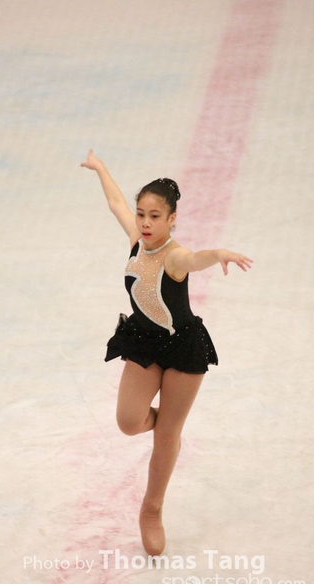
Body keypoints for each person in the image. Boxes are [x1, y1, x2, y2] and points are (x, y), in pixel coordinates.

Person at [80, 149, 253, 556]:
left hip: (183, 349)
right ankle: (168, 430)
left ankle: (152, 509)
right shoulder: (136, 240)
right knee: (129, 422)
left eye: (155, 216)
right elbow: (115, 203)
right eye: (142, 214)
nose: (145, 222)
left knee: (166, 434)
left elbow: (194, 259)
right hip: (144, 342)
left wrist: (219, 254)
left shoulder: (173, 256)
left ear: (172, 219)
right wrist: (101, 168)